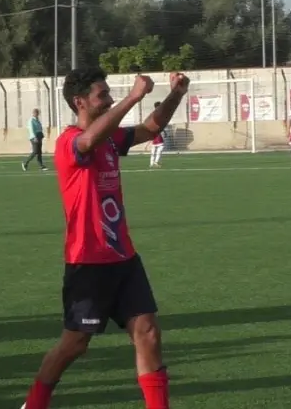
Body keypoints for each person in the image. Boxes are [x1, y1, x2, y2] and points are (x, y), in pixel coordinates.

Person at [21, 67, 188, 409]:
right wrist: (132, 97)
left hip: (124, 257)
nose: (109, 98)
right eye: (102, 95)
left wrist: (175, 95)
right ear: (79, 102)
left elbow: (151, 127)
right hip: (88, 261)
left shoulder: (110, 138)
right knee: (75, 344)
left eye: (110, 93)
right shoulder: (70, 142)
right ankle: (34, 404)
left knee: (148, 334)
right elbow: (88, 141)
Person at [148, 102, 171, 169]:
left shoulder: (154, 114)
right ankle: (154, 163)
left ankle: (153, 163)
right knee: (157, 150)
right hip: (157, 136)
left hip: (156, 136)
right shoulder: (157, 114)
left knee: (155, 151)